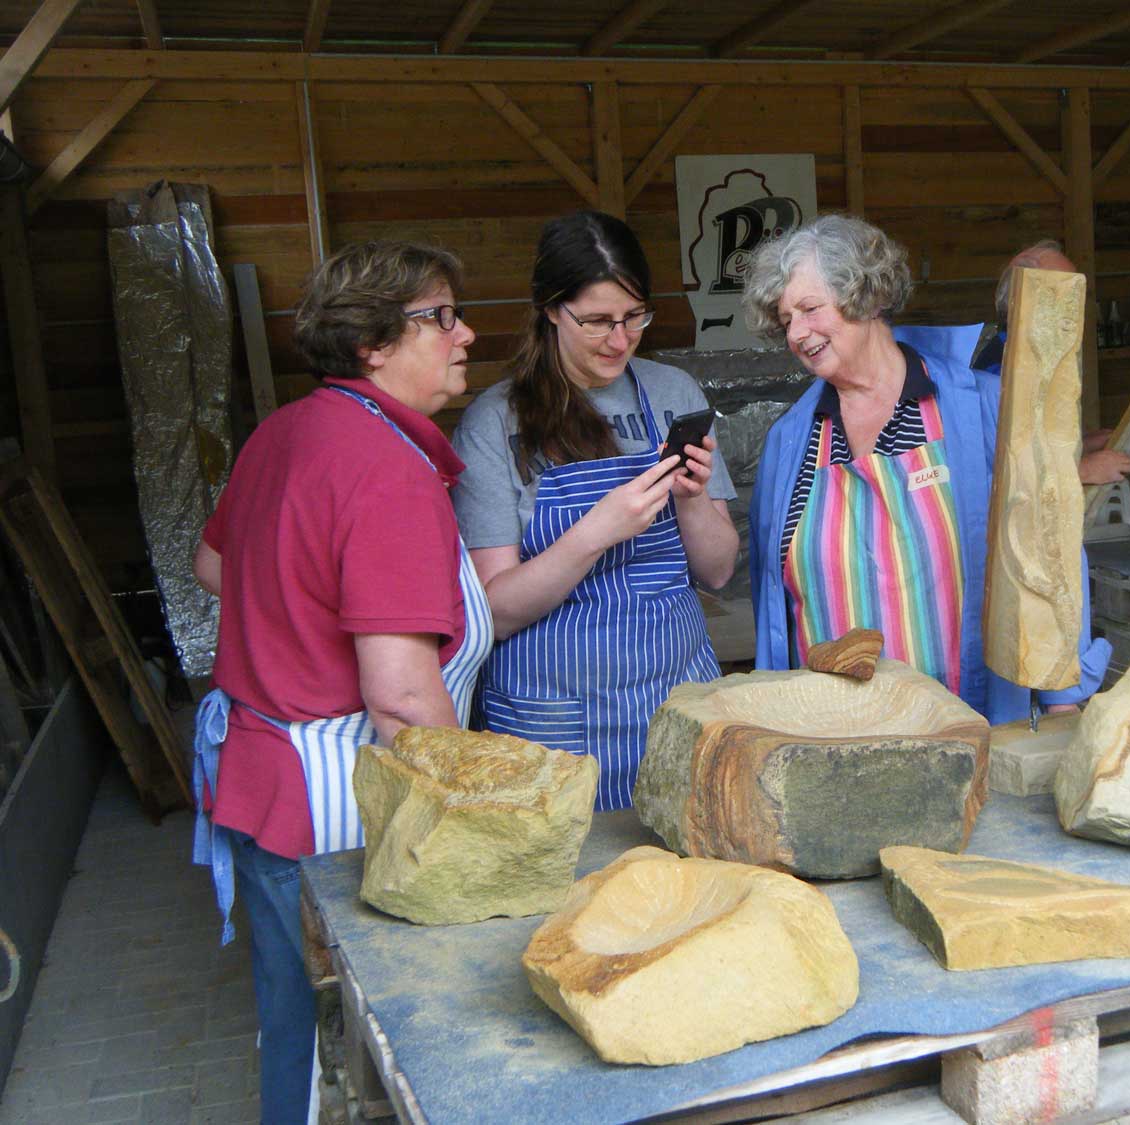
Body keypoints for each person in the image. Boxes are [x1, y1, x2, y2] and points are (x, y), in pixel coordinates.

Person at [191, 241, 492, 1123]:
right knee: (366, 1048)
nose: (465, 333)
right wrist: (473, 841)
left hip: (257, 783)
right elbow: (401, 698)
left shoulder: (286, 431)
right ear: (373, 344)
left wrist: (293, 620)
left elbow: (216, 564)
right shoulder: (386, 468)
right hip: (336, 808)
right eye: (441, 317)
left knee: (292, 1024)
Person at [744, 214, 1108, 724]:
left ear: (865, 297)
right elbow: (771, 602)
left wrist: (1061, 700)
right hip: (828, 743)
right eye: (786, 320)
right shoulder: (790, 442)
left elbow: (1047, 555)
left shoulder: (982, 409)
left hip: (968, 728)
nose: (798, 333)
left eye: (809, 309)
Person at [452, 211, 737, 811]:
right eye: (598, 321)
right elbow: (495, 612)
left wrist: (692, 501)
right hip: (552, 719)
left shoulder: (673, 393)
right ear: (551, 309)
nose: (620, 339)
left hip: (678, 701)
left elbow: (717, 572)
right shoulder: (494, 422)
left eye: (635, 317)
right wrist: (597, 533)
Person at [976, 239, 1130, 487]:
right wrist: (1084, 470)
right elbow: (1006, 465)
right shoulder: (1003, 367)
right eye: (1061, 290)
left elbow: (1032, 439)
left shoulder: (1035, 356)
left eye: (1076, 291)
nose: (1074, 303)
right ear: (1023, 297)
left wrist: (1081, 443)